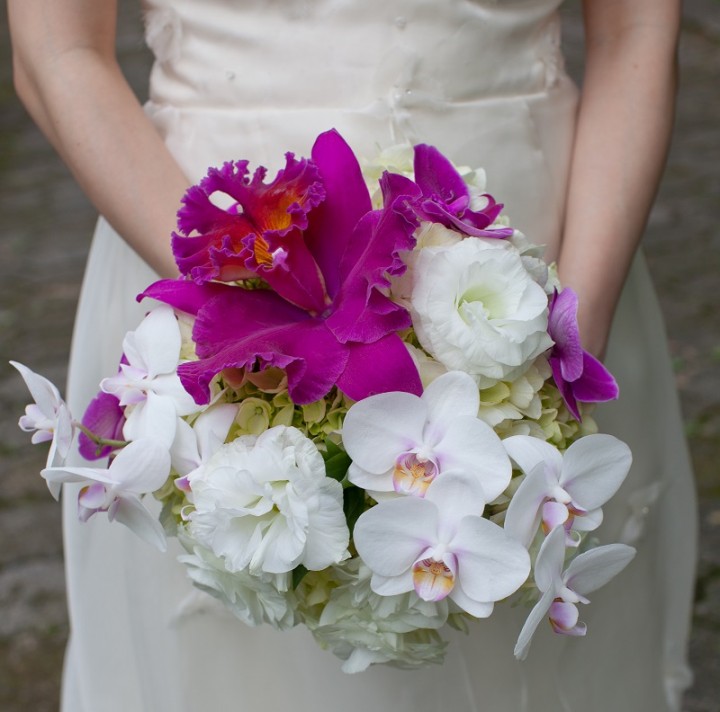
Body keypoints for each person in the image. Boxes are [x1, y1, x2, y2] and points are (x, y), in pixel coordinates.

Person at [8, 0, 696, 710]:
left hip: (542, 260)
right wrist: (238, 313)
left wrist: (568, 341)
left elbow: (637, 28)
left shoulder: (559, 318)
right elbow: (56, 52)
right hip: (200, 256)